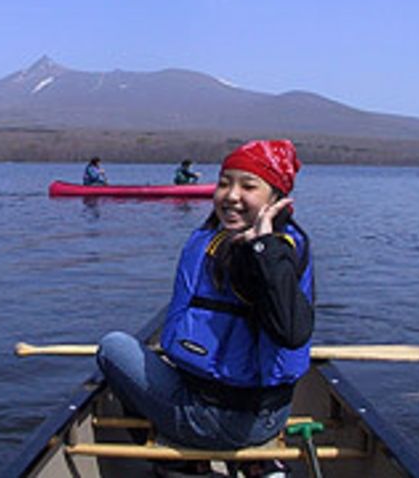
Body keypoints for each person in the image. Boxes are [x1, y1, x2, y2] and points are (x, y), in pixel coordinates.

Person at [96, 140, 313, 478]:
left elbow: (292, 331)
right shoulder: (226, 239)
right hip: (272, 416)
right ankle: (257, 463)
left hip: (212, 418)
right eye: (225, 183)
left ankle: (181, 462)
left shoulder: (270, 253)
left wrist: (263, 248)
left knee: (113, 348)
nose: (231, 195)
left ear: (276, 198)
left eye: (248, 186)